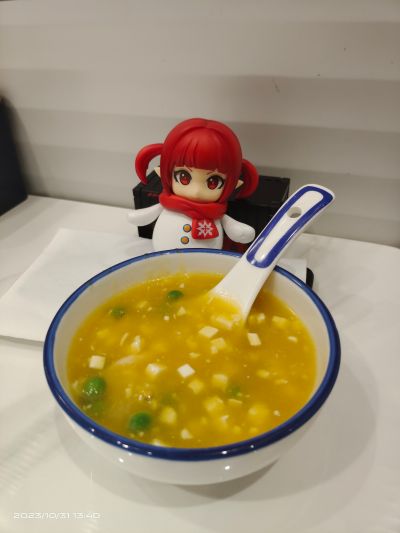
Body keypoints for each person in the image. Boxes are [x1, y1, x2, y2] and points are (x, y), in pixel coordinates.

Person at [128, 118, 259, 251]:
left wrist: (240, 231)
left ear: (233, 184)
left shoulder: (217, 215)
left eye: (213, 182)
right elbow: (141, 217)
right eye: (184, 177)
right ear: (165, 173)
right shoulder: (166, 207)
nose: (196, 191)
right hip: (165, 258)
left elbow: (238, 232)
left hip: (204, 261)